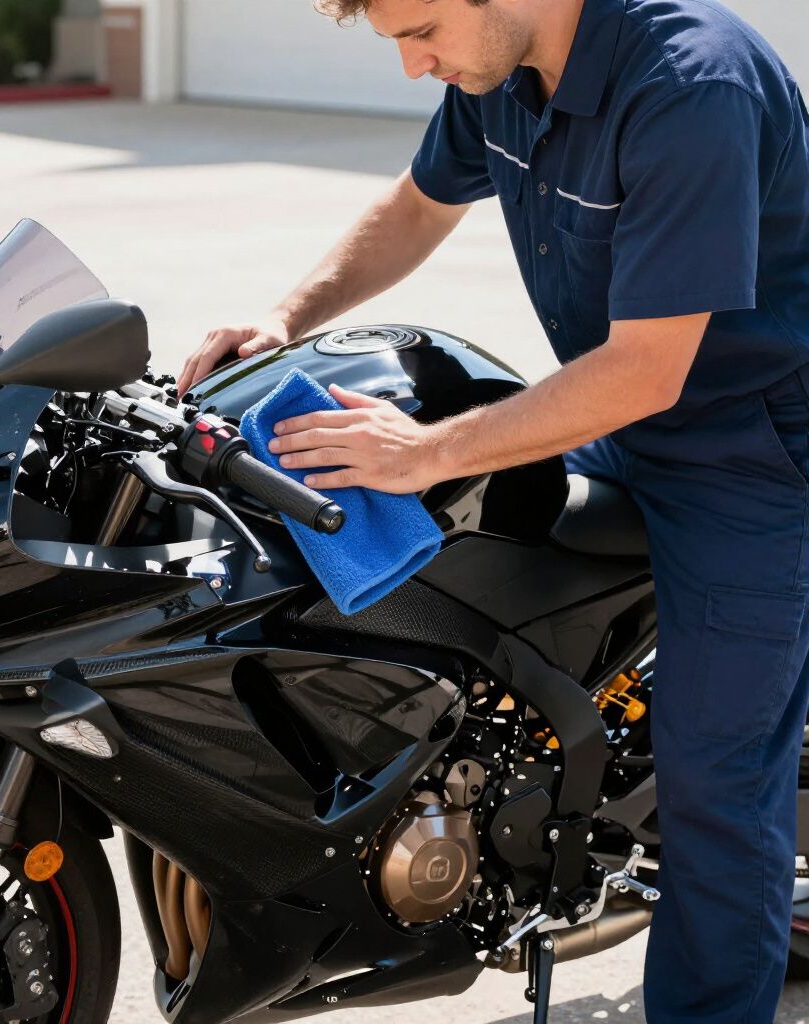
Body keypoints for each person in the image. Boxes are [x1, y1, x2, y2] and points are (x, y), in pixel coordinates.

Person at [176, 0, 809, 1019]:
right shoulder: (498, 74)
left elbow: (648, 369)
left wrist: (423, 450)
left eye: (420, 30)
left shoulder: (690, 83)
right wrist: (286, 317)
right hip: (616, 409)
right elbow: (416, 207)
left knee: (716, 786)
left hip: (753, 455)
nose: (412, 65)